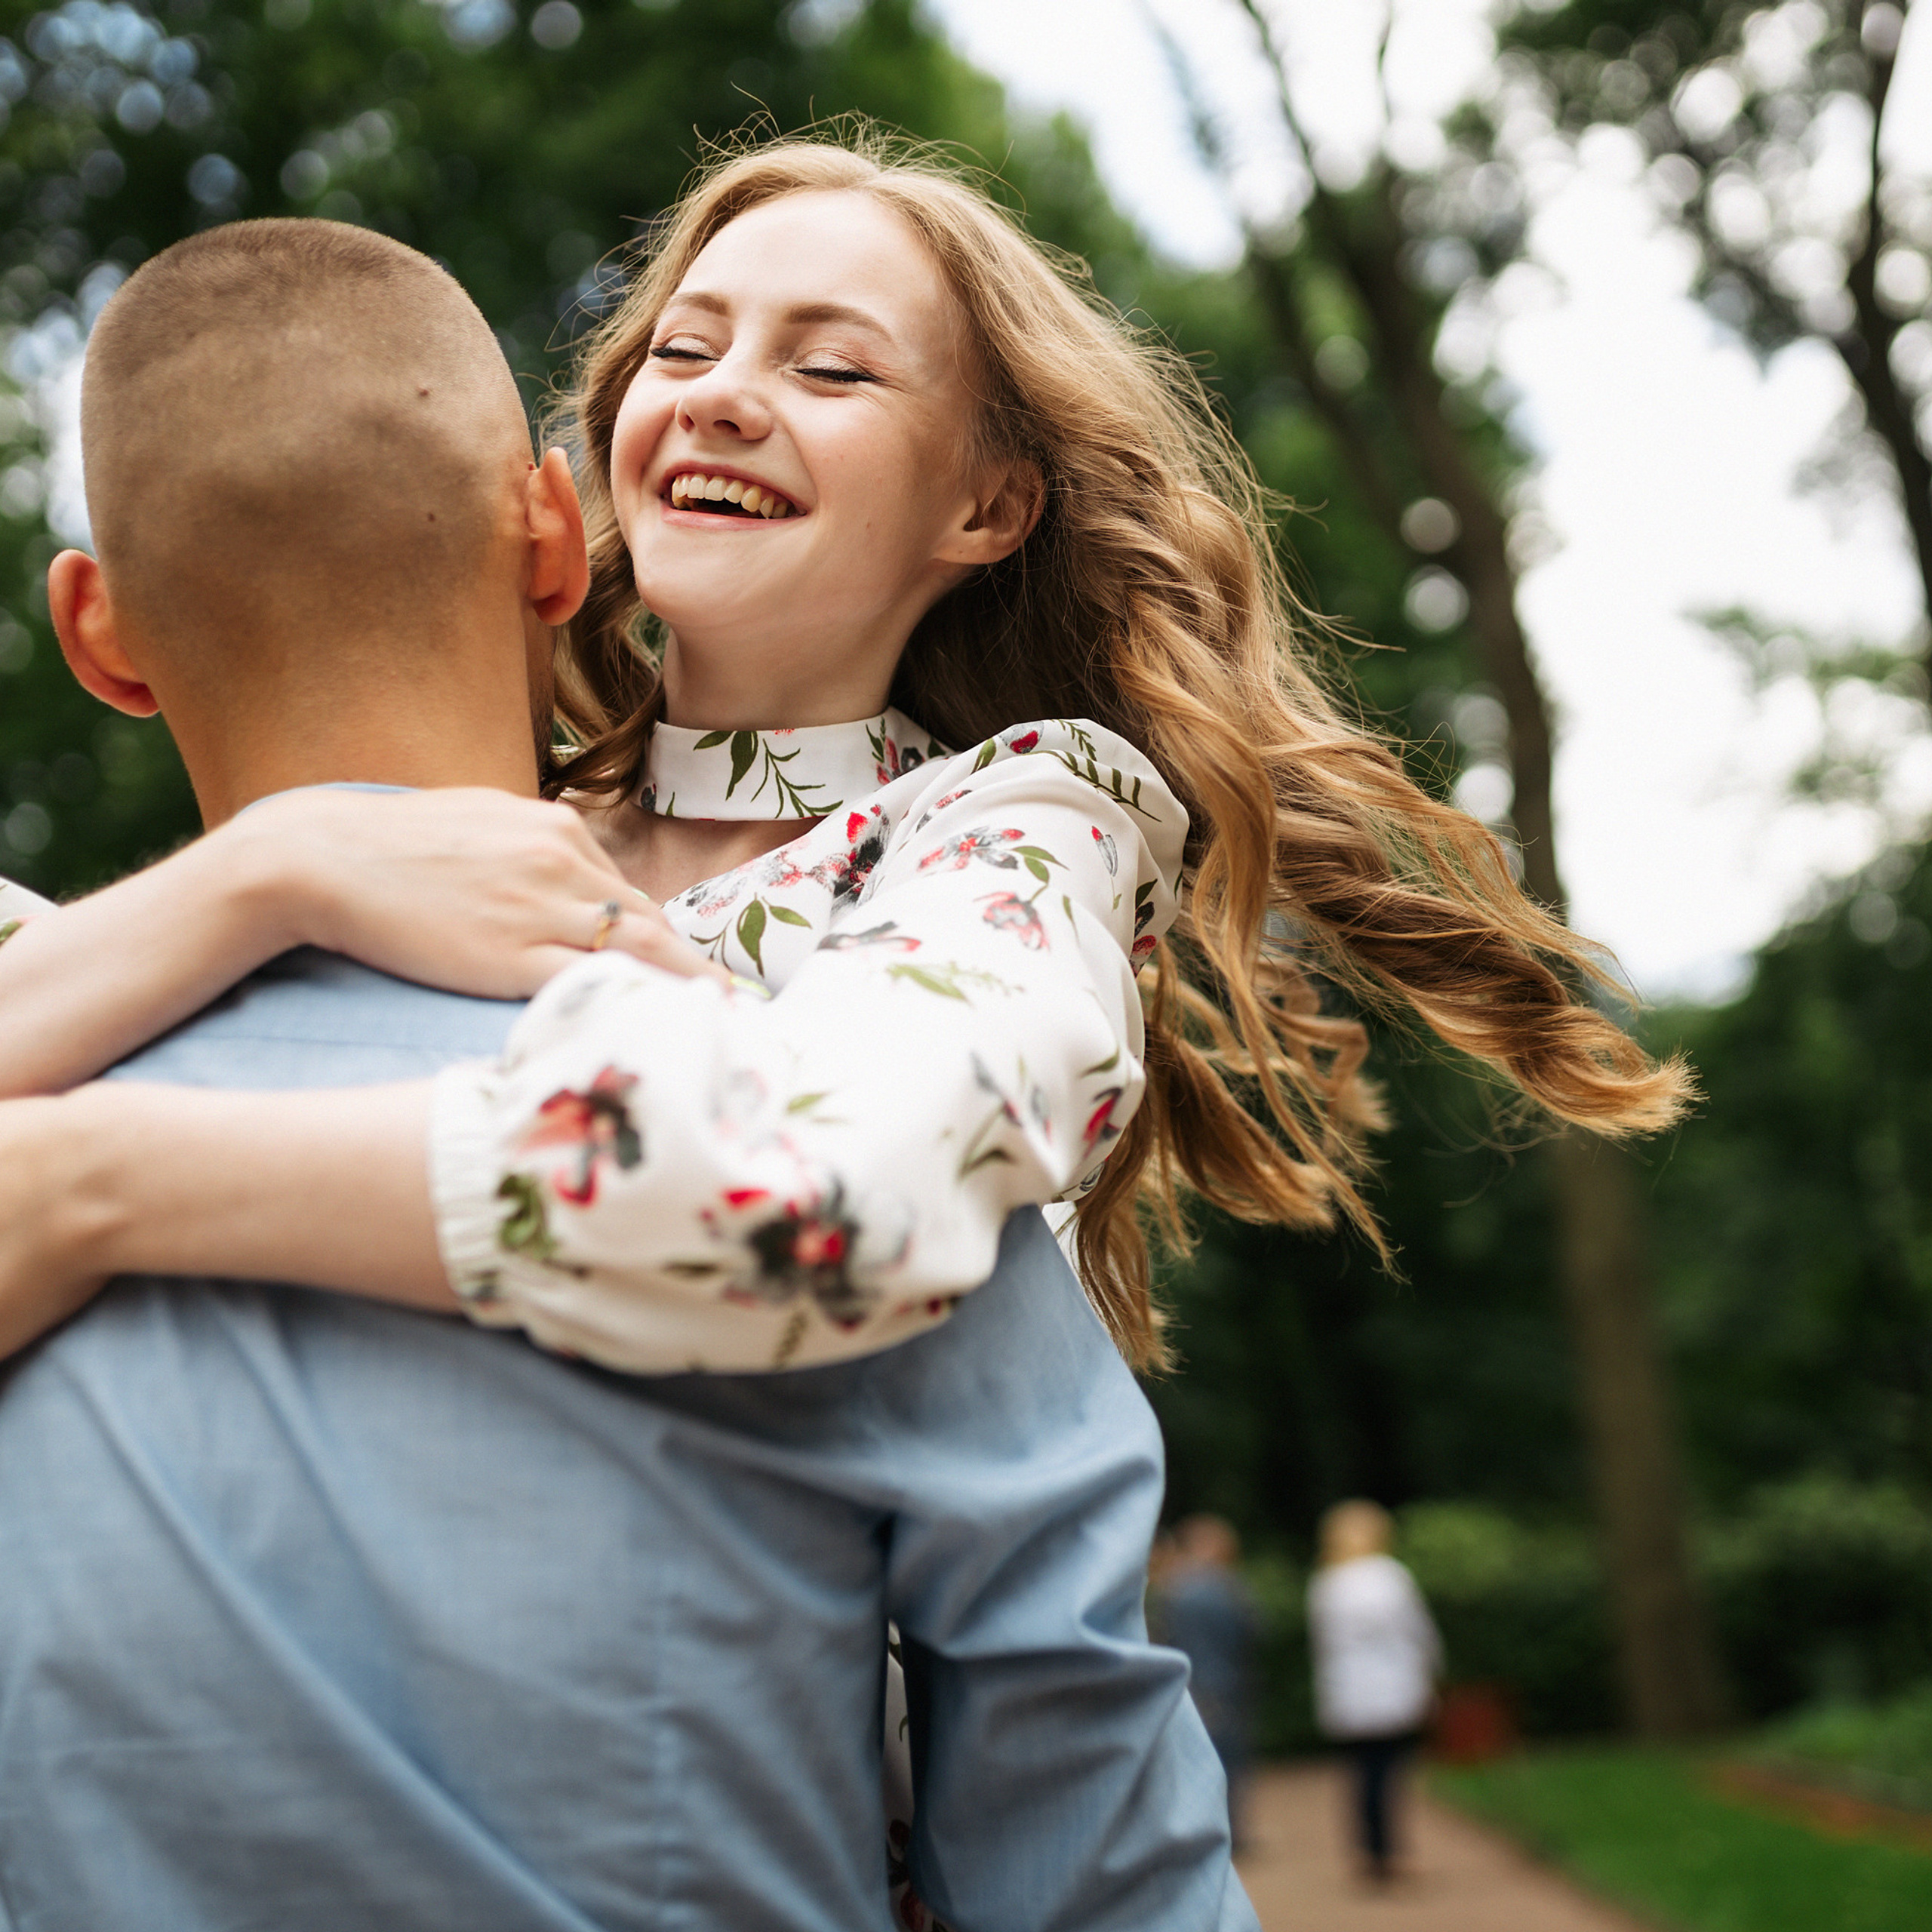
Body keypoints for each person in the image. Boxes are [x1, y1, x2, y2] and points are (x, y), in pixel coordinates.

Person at [0, 218, 1257, 1931]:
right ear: (550, 520)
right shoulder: (438, 862)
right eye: (682, 348)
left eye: (827, 365)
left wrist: (92, 1180)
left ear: (985, 505)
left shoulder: (995, 841)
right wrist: (266, 872)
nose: (728, 394)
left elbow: (813, 1188)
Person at [1307, 1500, 1444, 1884]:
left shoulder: (1326, 1582)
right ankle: (1391, 1852)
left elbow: (1322, 1645)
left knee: (1361, 1773)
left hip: (1348, 1692)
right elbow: (1417, 1632)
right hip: (1392, 1689)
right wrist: (1431, 1673)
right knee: (1390, 1772)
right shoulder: (1390, 1576)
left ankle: (1368, 1849)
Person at [1155, 1515, 1261, 1850]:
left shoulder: (1172, 1589)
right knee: (1227, 1758)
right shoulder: (1225, 1588)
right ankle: (1229, 1831)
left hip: (1187, 1683)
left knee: (1193, 1759)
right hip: (1224, 1682)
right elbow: (1253, 1632)